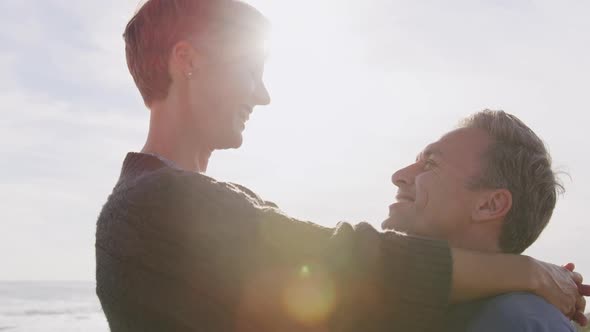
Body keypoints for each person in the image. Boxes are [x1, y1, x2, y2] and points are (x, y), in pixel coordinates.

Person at [95, 1, 588, 331]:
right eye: (249, 70)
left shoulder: (189, 203)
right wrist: (526, 273)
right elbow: (352, 264)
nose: (262, 95)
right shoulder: (153, 203)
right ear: (188, 61)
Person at [382, 110, 587, 331]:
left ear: (490, 205)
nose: (399, 175)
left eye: (431, 164)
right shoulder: (378, 300)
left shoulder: (518, 323)